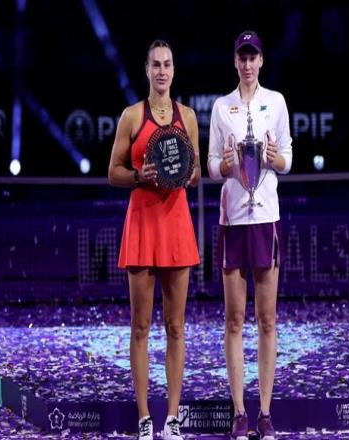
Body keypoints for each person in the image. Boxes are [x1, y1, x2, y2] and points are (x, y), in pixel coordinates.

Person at [108, 39, 200, 440]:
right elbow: (113, 172)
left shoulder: (188, 116)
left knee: (176, 327)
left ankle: (172, 419)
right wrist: (138, 176)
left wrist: (185, 174)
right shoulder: (131, 116)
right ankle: (145, 418)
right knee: (141, 327)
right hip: (143, 225)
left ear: (174, 70)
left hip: (176, 226)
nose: (162, 71)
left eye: (168, 64)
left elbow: (196, 172)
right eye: (156, 65)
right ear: (147, 71)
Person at [207, 30, 293, 440]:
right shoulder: (221, 107)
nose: (246, 64)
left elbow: (287, 158)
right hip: (233, 221)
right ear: (235, 62)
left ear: (261, 61)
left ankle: (265, 413)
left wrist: (278, 159)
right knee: (234, 320)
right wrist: (223, 166)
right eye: (241, 57)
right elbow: (212, 165)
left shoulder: (276, 102)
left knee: (268, 320)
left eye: (252, 57)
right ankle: (240, 412)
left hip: (266, 219)